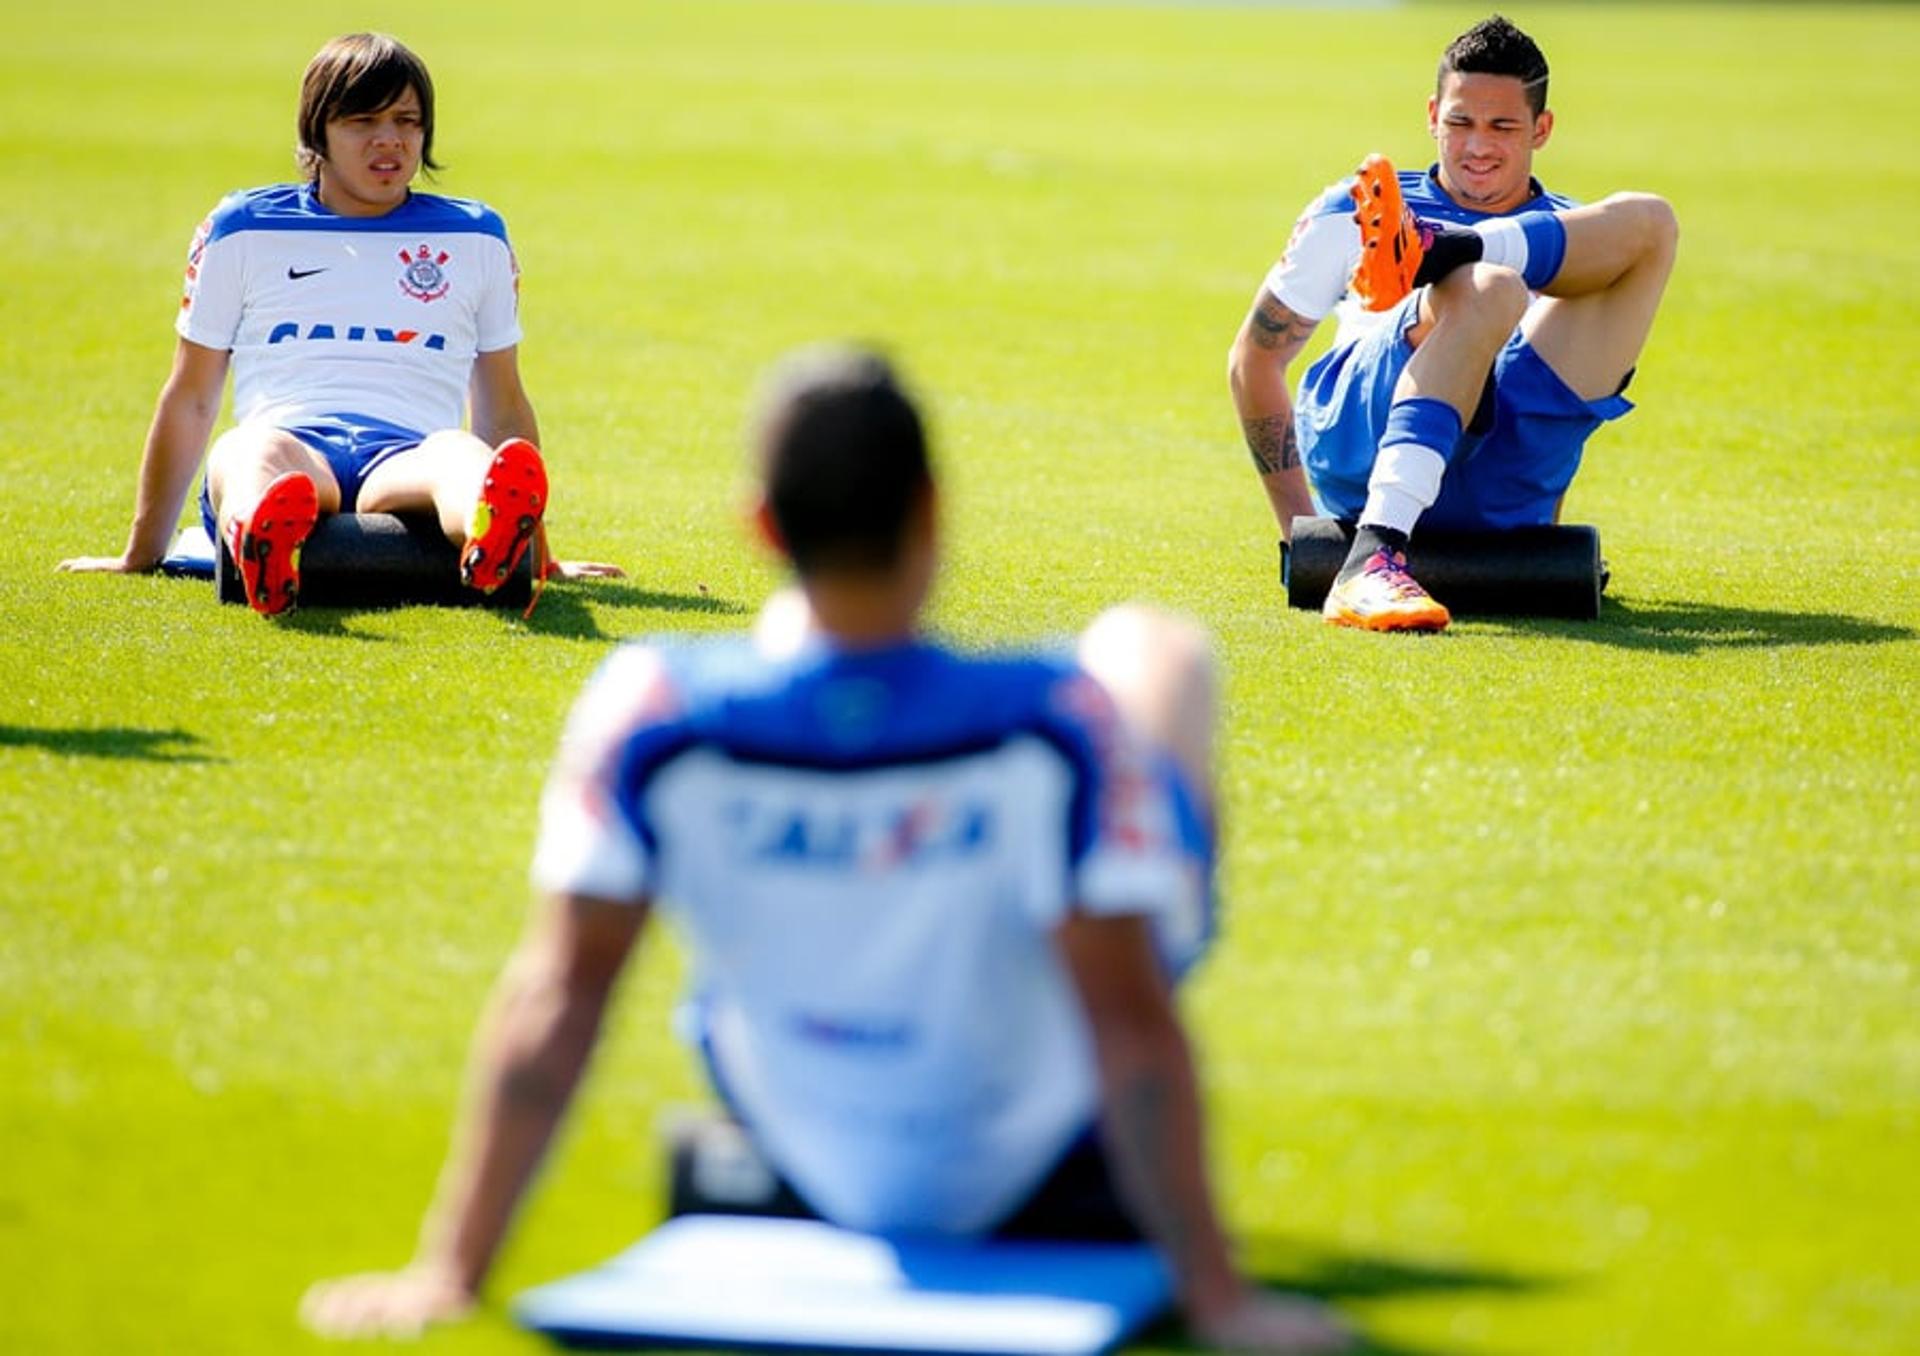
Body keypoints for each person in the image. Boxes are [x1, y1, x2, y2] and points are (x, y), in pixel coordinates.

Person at [299, 347, 1350, 1353]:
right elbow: (1133, 1022)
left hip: (808, 1143)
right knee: (1154, 652)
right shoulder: (1054, 722)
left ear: (759, 525)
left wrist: (448, 1273)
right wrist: (1219, 1298)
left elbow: (556, 998)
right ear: (931, 512)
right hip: (1052, 1162)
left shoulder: (651, 710)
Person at [57, 32, 619, 614]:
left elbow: (501, 403)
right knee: (249, 450)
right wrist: (139, 553)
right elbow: (193, 396)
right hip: (293, 447)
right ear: (316, 131)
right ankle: (263, 538)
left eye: (408, 121)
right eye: (363, 121)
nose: (390, 140)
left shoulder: (475, 236)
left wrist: (539, 556)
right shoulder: (243, 228)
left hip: (406, 460)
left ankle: (496, 538)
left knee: (460, 454)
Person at [1228, 14, 1677, 631]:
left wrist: (1539, 536)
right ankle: (1371, 556)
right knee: (1490, 288)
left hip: (1494, 493)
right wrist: (1295, 533)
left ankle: (1448, 248)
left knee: (1652, 223)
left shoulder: (1573, 234)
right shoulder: (1357, 209)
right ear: (1432, 115)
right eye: (1460, 122)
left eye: (1502, 126)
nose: (1476, 146)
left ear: (1541, 130)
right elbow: (1255, 359)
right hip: (1365, 437)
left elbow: (1559, 400)